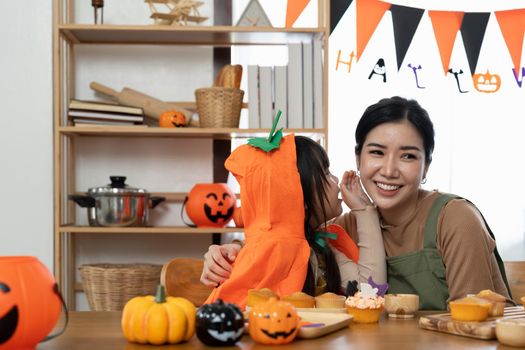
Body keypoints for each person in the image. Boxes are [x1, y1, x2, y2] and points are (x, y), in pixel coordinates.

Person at [331, 96, 512, 310]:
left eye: (408, 156)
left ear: (426, 166)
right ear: (358, 158)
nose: (389, 171)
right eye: (377, 152)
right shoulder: (346, 228)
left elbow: (473, 323)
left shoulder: (455, 218)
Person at [202, 134, 386, 308]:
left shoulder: (322, 249)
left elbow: (371, 293)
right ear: (296, 197)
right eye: (327, 174)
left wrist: (364, 210)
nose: (336, 180)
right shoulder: (274, 252)